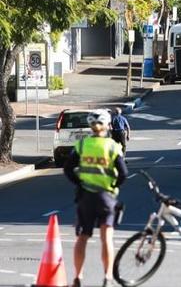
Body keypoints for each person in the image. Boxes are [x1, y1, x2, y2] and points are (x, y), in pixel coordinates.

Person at [64, 110, 128, 287]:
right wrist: (113, 186)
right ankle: (107, 277)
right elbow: (123, 173)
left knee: (82, 237)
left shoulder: (82, 145)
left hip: (86, 196)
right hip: (106, 197)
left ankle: (78, 277)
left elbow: (68, 168)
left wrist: (80, 183)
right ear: (108, 126)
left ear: (91, 126)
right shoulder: (113, 146)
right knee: (106, 237)